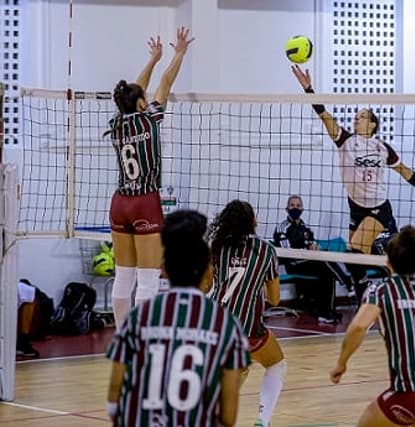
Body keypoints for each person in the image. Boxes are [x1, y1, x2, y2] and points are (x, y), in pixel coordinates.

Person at [292, 64, 415, 298]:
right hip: (355, 205)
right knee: (356, 253)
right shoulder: (345, 140)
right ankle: (378, 285)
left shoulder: (382, 148)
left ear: (374, 124)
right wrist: (308, 89)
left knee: (355, 249)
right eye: (355, 117)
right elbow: (324, 115)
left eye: (362, 117)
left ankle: (370, 285)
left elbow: (406, 172)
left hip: (378, 207)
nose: (356, 120)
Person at [106, 209, 249, 427]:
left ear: (163, 270)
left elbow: (114, 396)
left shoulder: (137, 318)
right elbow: (228, 417)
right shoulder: (226, 325)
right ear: (208, 271)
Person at [107, 28, 194, 330]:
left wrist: (152, 58)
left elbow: (132, 94)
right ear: (143, 103)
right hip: (145, 202)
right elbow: (165, 83)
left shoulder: (117, 123)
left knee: (123, 275)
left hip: (119, 202)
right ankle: (141, 337)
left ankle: (121, 336)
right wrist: (178, 54)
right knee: (147, 279)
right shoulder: (151, 117)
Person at [330, 225, 415, 426]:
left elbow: (358, 327)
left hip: (411, 390)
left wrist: (341, 363)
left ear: (388, 261)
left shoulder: (382, 290)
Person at [209, 200, 285, 427]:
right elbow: (275, 298)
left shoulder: (217, 245)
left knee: (236, 370)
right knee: (276, 364)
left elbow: (205, 286)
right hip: (247, 328)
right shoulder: (266, 250)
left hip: (214, 324)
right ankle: (262, 420)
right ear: (253, 221)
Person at [273, 195, 352, 324]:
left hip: (308, 262)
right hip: (293, 264)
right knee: (324, 260)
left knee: (327, 273)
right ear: (286, 209)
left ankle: (326, 313)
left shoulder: (305, 227)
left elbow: (312, 242)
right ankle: (348, 283)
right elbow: (287, 252)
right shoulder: (283, 227)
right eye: (292, 205)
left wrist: (315, 247)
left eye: (298, 206)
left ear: (302, 209)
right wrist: (307, 250)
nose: (295, 208)